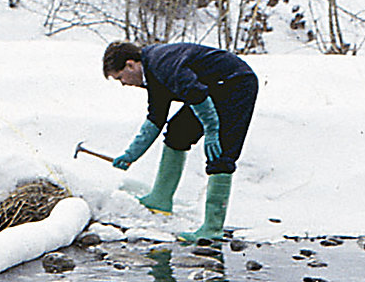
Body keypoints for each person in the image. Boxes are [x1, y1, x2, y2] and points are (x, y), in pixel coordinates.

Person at [103, 40, 258, 243]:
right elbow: (155, 119)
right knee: (177, 133)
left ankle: (212, 228)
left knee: (221, 151)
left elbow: (195, 93)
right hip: (211, 89)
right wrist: (131, 154)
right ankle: (160, 199)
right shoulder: (152, 75)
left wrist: (212, 130)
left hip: (236, 84)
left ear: (131, 64)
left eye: (120, 77)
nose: (123, 83)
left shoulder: (162, 64)